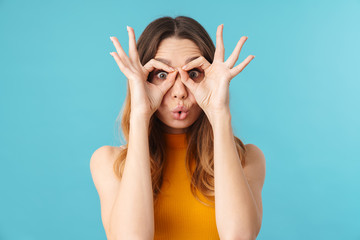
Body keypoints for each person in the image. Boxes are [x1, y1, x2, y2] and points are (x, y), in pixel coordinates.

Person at [90, 16, 266, 240]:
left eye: (193, 73)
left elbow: (239, 236)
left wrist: (218, 112)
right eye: (162, 75)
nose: (180, 91)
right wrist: (140, 113)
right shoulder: (110, 162)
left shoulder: (248, 159)